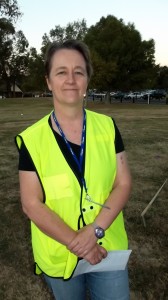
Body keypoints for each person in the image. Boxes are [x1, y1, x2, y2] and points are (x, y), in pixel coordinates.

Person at [15, 39, 132, 300]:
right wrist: (78, 244)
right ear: (48, 81)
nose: (71, 79)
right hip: (59, 253)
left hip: (107, 248)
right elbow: (31, 204)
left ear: (87, 79)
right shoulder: (32, 140)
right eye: (61, 72)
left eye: (78, 71)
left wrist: (95, 232)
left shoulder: (107, 127)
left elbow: (123, 184)